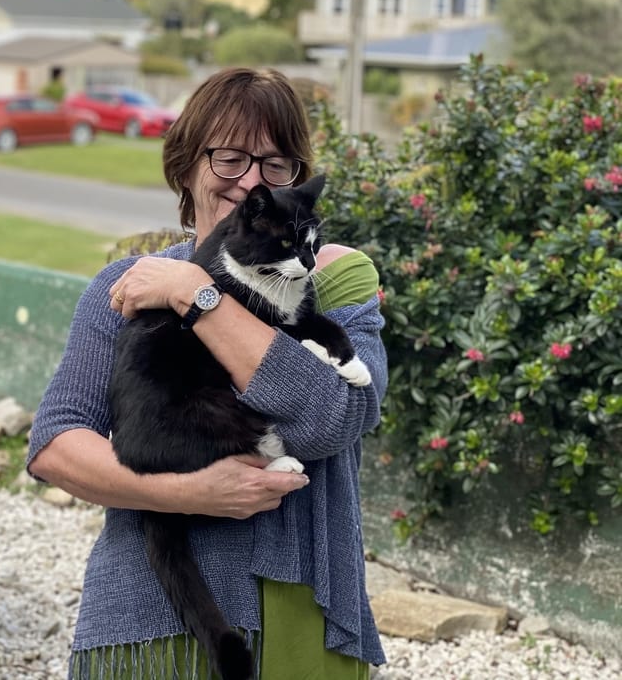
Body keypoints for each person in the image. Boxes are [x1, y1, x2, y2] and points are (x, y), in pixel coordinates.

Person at [26, 67, 387, 678]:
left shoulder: (337, 277)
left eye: (275, 165)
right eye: (230, 158)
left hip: (305, 610)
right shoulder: (126, 287)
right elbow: (55, 447)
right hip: (152, 618)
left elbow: (333, 419)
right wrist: (188, 494)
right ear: (188, 164)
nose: (251, 182)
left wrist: (199, 294)